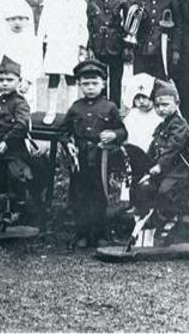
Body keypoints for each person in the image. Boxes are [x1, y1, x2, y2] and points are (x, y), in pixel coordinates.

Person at [62, 59, 127, 248]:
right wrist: (68, 144)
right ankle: (82, 234)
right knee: (79, 196)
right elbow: (63, 131)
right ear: (80, 85)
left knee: (100, 196)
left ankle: (100, 234)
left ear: (103, 84)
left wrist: (113, 134)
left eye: (94, 83)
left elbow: (123, 132)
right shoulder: (75, 108)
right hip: (80, 159)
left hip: (101, 159)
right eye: (85, 84)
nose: (90, 87)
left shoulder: (110, 107)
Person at [136, 79, 189, 234]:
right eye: (158, 106)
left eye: (165, 105)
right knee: (144, 187)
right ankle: (158, 220)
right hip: (167, 170)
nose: (161, 109)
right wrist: (145, 165)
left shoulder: (179, 124)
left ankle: (171, 219)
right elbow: (154, 147)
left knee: (165, 191)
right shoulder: (162, 125)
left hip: (180, 170)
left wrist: (159, 166)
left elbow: (174, 147)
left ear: (176, 104)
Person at [36, 0, 89, 125]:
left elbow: (82, 24)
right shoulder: (50, 2)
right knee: (53, 75)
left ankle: (71, 111)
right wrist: (40, 41)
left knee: (71, 76)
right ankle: (51, 110)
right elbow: (43, 23)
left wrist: (82, 45)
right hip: (54, 42)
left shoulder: (79, 2)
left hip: (71, 43)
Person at [0, 56, 32, 202]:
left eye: (9, 80)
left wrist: (6, 141)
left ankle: (18, 209)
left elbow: (22, 124)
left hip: (14, 149)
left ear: (19, 81)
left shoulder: (19, 103)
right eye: (0, 80)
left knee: (15, 176)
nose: (4, 84)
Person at [86, 0, 129, 106]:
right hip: (98, 47)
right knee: (100, 77)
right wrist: (89, 47)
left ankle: (115, 107)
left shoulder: (122, 3)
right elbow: (89, 26)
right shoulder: (92, 3)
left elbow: (127, 27)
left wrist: (127, 47)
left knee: (116, 79)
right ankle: (100, 105)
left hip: (116, 46)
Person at [132, 0, 181, 81]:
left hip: (163, 49)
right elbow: (133, 26)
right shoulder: (140, 0)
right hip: (142, 50)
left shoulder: (172, 1)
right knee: (141, 81)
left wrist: (176, 49)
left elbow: (178, 27)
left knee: (161, 81)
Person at [0, 0, 41, 110]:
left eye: (21, 19)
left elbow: (36, 62)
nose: (17, 22)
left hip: (24, 84)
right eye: (13, 19)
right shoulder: (2, 40)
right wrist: (0, 79)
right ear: (7, 20)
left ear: (27, 20)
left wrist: (28, 81)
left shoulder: (33, 41)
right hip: (5, 82)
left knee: (22, 110)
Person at [122, 73, 159, 153]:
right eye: (137, 98)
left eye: (144, 97)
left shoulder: (159, 114)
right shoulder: (131, 117)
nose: (141, 101)